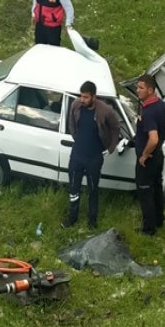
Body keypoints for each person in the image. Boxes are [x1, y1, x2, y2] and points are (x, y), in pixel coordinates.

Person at [63, 81, 121, 229]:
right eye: (81, 96)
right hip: (77, 155)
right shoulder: (76, 105)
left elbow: (115, 128)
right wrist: (76, 137)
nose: (82, 100)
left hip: (94, 158)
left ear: (94, 96)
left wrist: (111, 147)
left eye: (86, 97)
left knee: (93, 189)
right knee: (74, 188)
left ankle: (92, 220)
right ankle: (72, 217)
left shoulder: (105, 110)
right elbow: (71, 123)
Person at [133, 74, 165, 235]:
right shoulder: (160, 104)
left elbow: (153, 139)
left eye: (140, 87)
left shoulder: (149, 112)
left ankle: (148, 229)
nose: (137, 90)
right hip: (159, 156)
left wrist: (144, 155)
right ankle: (159, 219)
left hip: (149, 160)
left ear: (150, 90)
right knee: (157, 189)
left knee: (145, 192)